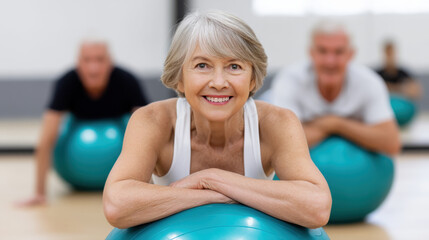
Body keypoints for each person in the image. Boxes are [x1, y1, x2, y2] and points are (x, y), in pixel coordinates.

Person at [102, 11, 331, 229]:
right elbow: (116, 204)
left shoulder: (276, 122)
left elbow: (317, 207)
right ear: (180, 79)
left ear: (252, 80)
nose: (219, 82)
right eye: (202, 65)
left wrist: (211, 178)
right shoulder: (152, 121)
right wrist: (226, 195)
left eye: (234, 66)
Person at [18, 39, 148, 206]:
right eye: (87, 60)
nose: (93, 68)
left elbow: (149, 129)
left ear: (110, 62)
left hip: (120, 141)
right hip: (74, 143)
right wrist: (39, 193)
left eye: (99, 60)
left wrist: (146, 186)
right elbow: (46, 139)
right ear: (78, 63)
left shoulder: (127, 81)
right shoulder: (66, 83)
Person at [270, 21, 401, 154]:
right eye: (322, 51)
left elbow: (391, 143)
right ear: (311, 53)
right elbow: (279, 141)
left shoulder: (369, 82)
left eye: (338, 52)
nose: (330, 61)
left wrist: (336, 123)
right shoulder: (289, 80)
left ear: (350, 54)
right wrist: (338, 128)